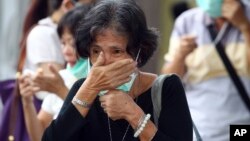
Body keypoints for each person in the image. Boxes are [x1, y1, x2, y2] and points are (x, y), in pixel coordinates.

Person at [42, 0, 193, 141]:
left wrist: (133, 114)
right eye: (96, 51)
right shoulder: (83, 90)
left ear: (138, 54)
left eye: (116, 51)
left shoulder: (166, 89)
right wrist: (89, 89)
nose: (104, 61)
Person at [161, 0, 250, 140]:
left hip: (242, 127)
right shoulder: (187, 21)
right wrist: (180, 56)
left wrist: (245, 26)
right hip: (200, 129)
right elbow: (168, 82)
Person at [18, 5, 92, 141]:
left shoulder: (98, 80)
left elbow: (96, 126)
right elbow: (39, 136)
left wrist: (60, 90)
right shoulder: (62, 76)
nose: (66, 49)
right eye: (63, 43)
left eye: (72, 43)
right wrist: (27, 101)